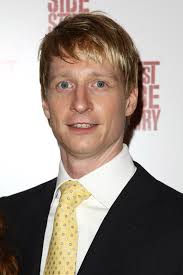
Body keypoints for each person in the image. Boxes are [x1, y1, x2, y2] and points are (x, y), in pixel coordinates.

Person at [0, 12, 183, 275]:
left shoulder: (177, 224)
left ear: (130, 99)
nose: (80, 103)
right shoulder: (7, 220)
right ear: (45, 103)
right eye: (64, 84)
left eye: (99, 83)